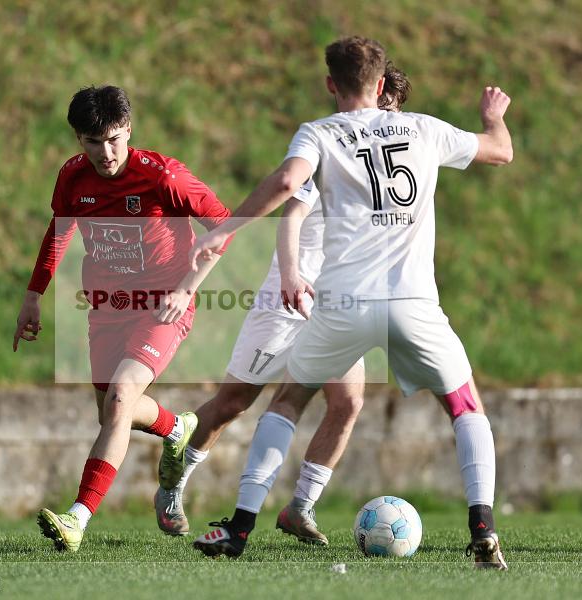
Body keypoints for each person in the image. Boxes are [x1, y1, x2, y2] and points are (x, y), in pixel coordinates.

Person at [188, 37, 513, 570]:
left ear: (330, 85)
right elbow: (500, 151)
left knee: (290, 400)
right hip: (413, 302)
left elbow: (289, 181)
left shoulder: (319, 132)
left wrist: (224, 231)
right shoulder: (424, 128)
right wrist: (491, 115)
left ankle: (240, 528)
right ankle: (483, 529)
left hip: (341, 302)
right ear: (383, 85)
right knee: (464, 406)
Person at [153, 64, 412, 548]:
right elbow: (292, 213)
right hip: (288, 298)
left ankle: (300, 508)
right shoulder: (334, 151)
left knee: (348, 400)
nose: (385, 123)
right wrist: (293, 274)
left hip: (338, 304)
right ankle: (174, 482)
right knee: (234, 402)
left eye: (394, 115)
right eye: (382, 110)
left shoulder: (394, 168)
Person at [13, 85, 232, 552]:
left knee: (121, 398)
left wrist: (186, 287)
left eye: (114, 139)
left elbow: (224, 225)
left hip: (162, 307)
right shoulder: (73, 178)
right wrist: (34, 296)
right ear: (78, 139)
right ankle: (178, 428)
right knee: (112, 410)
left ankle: (76, 518)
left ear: (128, 130)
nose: (105, 152)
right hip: (107, 309)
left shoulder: (163, 176)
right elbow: (59, 233)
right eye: (93, 142)